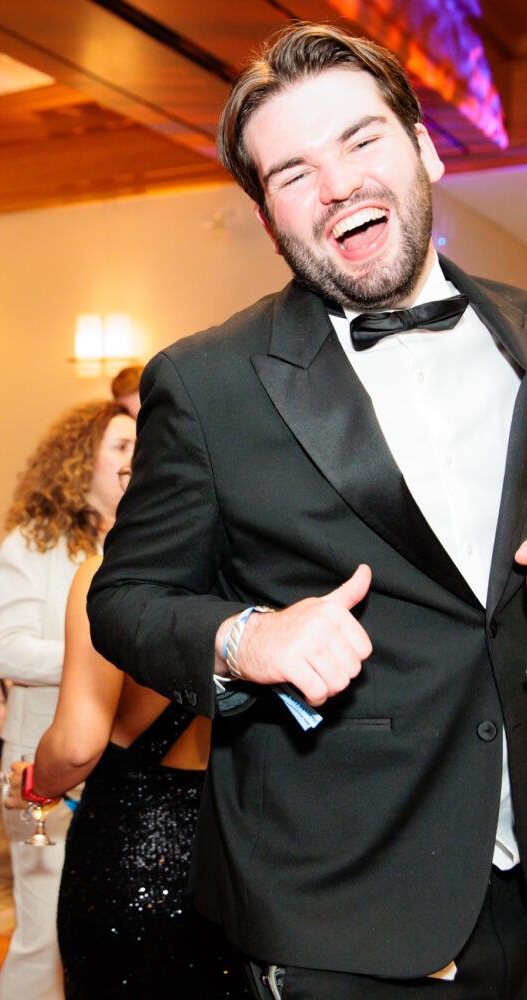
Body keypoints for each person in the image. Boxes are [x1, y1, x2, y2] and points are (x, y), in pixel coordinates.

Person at [87, 22, 527, 1000]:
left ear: (420, 149)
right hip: (344, 911)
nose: (334, 183)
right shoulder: (206, 383)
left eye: (360, 141)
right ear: (270, 219)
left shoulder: (521, 329)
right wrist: (245, 638)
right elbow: (125, 600)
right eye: (291, 171)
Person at [3, 549, 249, 999]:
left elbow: (77, 748)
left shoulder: (115, 573)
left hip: (126, 855)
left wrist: (37, 784)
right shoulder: (261, 581)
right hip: (235, 864)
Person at [0, 399, 135, 1000]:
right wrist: (97, 659)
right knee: (43, 935)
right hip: (41, 761)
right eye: (121, 448)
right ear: (82, 461)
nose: (135, 462)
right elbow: (9, 651)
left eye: (140, 450)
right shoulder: (33, 542)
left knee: (98, 929)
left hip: (120, 764)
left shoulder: (142, 544)